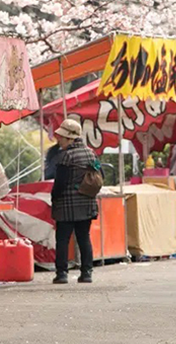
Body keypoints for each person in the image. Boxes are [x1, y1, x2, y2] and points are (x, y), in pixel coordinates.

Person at [51, 118, 101, 285]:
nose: (59, 140)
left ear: (70, 138)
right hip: (86, 203)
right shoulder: (91, 153)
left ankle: (62, 274)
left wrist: (54, 198)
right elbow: (101, 176)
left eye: (62, 137)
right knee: (83, 237)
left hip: (66, 205)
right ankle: (86, 273)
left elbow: (60, 183)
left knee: (63, 239)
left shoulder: (66, 156)